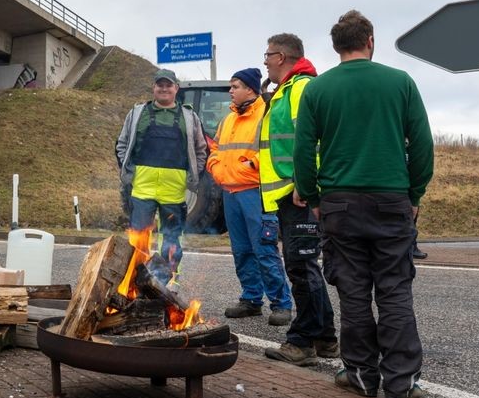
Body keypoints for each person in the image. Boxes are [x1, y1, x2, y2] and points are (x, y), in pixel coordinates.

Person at [293, 10, 434, 398]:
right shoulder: (400, 82)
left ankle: (358, 373)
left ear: (336, 46)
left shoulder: (317, 90)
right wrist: (415, 194)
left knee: (353, 292)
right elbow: (422, 145)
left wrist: (313, 197)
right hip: (392, 200)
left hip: (339, 204)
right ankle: (402, 383)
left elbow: (303, 152)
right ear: (370, 39)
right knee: (394, 291)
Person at [259, 34, 339, 366]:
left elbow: (315, 142)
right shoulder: (286, 91)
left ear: (281, 56)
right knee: (304, 264)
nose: (264, 61)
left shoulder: (300, 89)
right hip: (290, 193)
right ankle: (325, 337)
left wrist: (306, 185)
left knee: (301, 265)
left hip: (299, 195)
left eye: (267, 55)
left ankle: (302, 341)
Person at [206, 67, 292, 324]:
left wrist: (251, 166)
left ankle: (281, 303)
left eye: (235, 86)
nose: (231, 91)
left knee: (264, 249)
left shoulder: (266, 114)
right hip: (230, 192)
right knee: (241, 250)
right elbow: (215, 148)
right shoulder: (228, 119)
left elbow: (273, 147)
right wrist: (216, 169)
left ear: (250, 89)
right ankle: (252, 298)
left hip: (256, 192)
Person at [116, 69, 207, 286]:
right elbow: (121, 144)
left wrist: (192, 178)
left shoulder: (189, 117)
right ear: (153, 88)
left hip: (174, 192)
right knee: (139, 239)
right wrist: (128, 174)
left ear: (176, 88)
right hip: (141, 190)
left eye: (169, 85)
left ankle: (167, 284)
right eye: (160, 85)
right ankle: (135, 283)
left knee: (172, 241)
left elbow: (201, 149)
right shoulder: (138, 113)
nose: (164, 88)